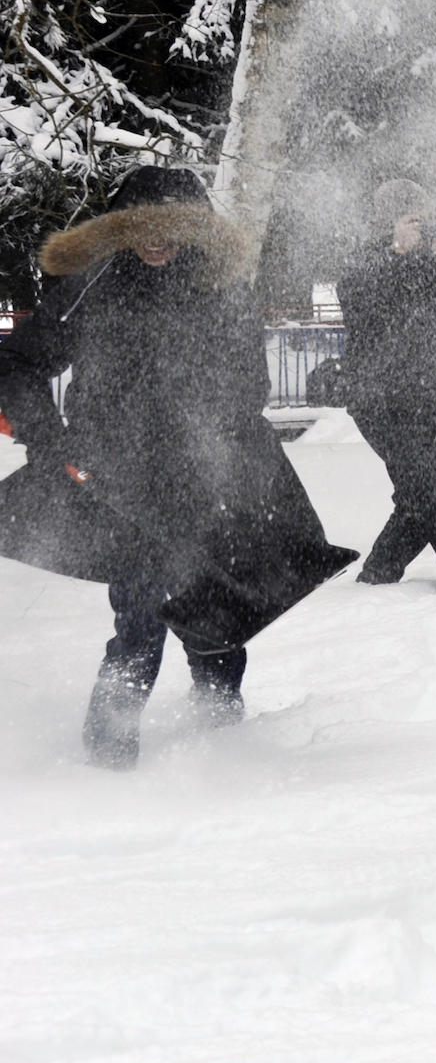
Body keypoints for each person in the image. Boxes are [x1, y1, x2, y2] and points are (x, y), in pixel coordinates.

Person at [0, 167, 355, 768]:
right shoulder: (95, 284)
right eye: (141, 227)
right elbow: (17, 364)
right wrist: (48, 437)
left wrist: (215, 444)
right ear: (119, 228)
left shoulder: (222, 286)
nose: (156, 240)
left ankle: (221, 740)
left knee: (215, 617)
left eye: (171, 227)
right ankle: (108, 758)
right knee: (139, 622)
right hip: (119, 483)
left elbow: (249, 385)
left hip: (204, 482)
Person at [338, 178, 436, 588]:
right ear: (388, 220)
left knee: (419, 496)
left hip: (427, 397)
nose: (420, 226)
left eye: (424, 218)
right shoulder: (365, 259)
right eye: (412, 219)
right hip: (378, 399)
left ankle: (376, 577)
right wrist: (395, 253)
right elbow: (357, 306)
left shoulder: (433, 263)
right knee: (428, 492)